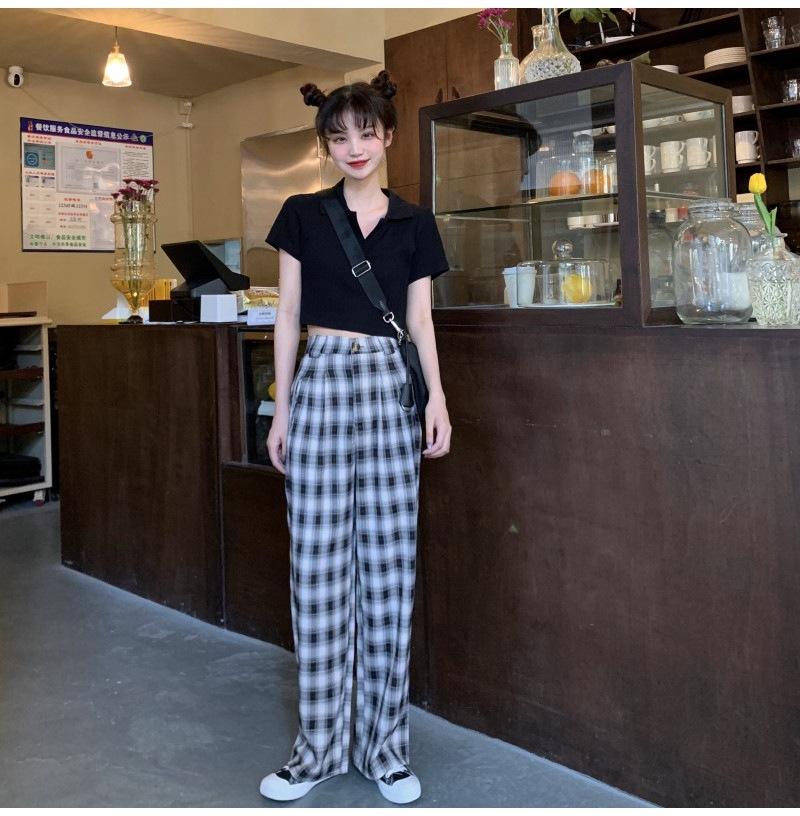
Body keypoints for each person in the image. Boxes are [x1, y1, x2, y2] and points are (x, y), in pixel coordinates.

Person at [259, 70, 451, 805]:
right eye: (339, 137)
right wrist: (281, 410)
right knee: (316, 570)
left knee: (388, 571)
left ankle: (386, 752)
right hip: (321, 382)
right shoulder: (302, 214)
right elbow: (286, 315)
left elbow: (420, 320)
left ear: (388, 135)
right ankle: (317, 751)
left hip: (388, 387)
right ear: (325, 146)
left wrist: (437, 398)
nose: (355, 147)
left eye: (367, 133)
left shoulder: (414, 223)